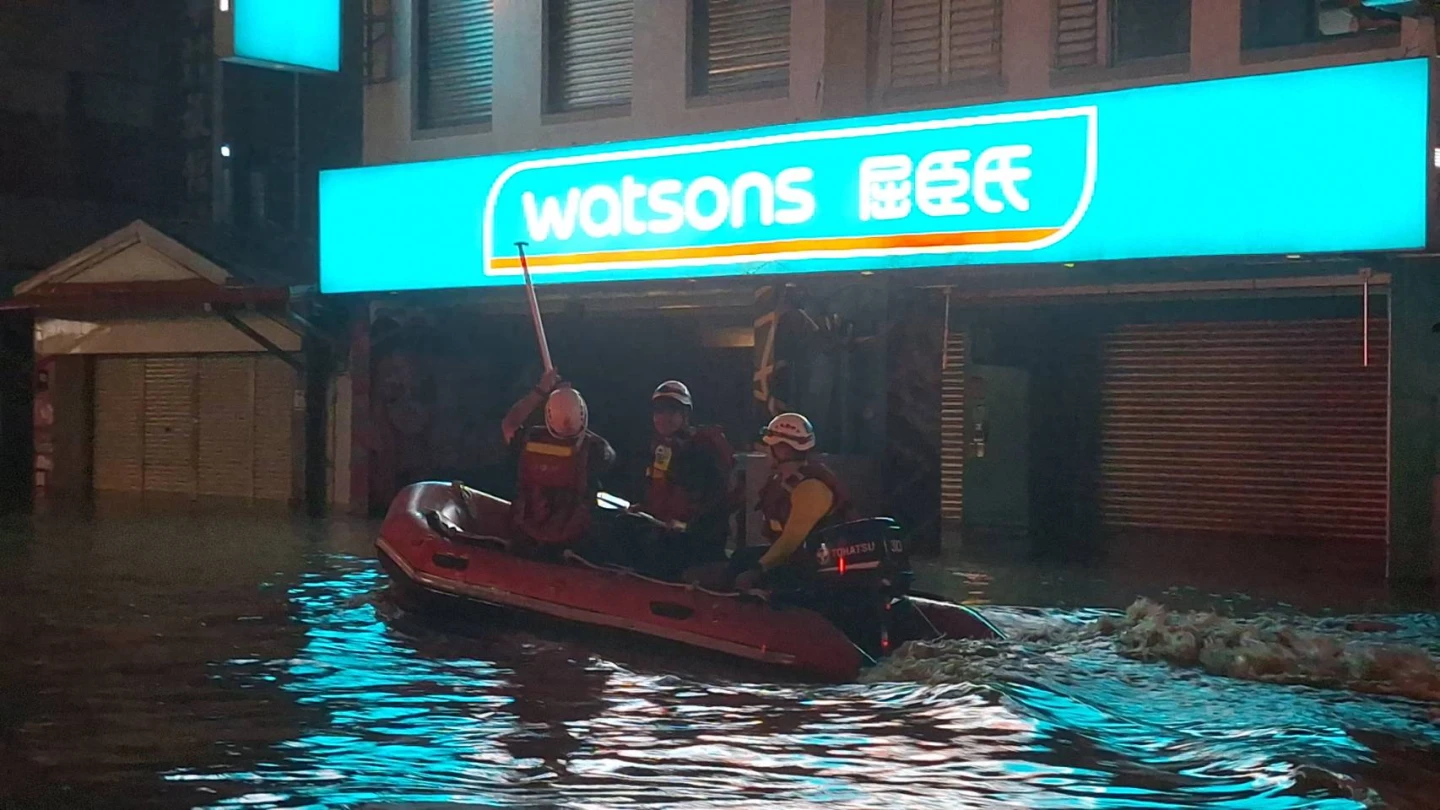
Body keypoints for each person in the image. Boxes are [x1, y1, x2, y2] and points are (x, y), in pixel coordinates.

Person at [727, 412, 857, 592]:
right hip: (799, 559)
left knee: (752, 571)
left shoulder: (811, 487)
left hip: (815, 568)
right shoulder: (783, 481)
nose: (765, 451)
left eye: (769, 445)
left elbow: (790, 541)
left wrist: (757, 569)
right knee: (741, 557)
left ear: (783, 450)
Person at [500, 368, 615, 553]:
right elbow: (609, 456)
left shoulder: (529, 439)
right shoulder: (596, 450)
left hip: (525, 535)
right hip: (573, 542)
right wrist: (569, 405)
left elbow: (509, 424)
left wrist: (541, 389)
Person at [630, 380, 735, 578]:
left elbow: (716, 504)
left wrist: (687, 526)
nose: (662, 417)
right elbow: (660, 494)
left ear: (685, 414)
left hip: (696, 541)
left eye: (670, 411)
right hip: (665, 533)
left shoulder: (703, 450)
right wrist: (643, 509)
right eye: (658, 411)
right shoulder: (660, 449)